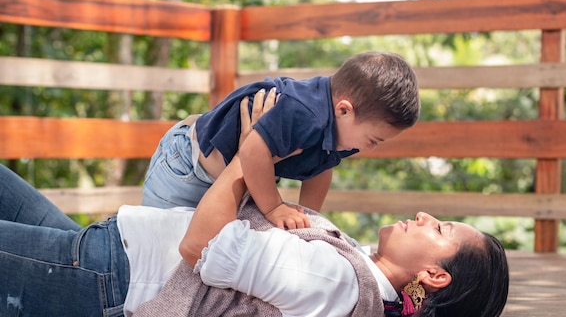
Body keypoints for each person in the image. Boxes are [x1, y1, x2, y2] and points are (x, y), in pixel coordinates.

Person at [0, 93, 507, 317]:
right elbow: (270, 217)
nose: (424, 217)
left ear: (434, 277)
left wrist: (255, 148)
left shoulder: (338, 286)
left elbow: (202, 246)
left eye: (440, 230)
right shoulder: (357, 278)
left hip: (106, 281)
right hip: (107, 253)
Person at [141, 51, 421, 230]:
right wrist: (274, 207)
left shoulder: (340, 133)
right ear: (344, 110)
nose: (369, 149)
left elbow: (321, 169)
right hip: (186, 168)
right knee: (156, 244)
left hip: (227, 184)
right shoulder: (305, 112)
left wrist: (310, 219)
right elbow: (251, 152)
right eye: (373, 140)